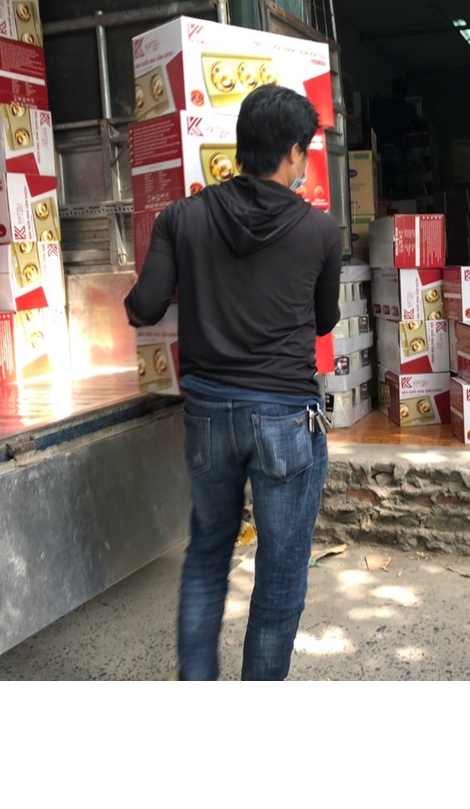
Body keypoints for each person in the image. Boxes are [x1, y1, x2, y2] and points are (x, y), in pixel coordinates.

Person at [124, 85, 341, 681]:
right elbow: (326, 320)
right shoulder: (320, 231)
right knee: (281, 570)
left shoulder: (181, 217)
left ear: (243, 147)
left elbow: (144, 306)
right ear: (294, 152)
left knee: (207, 556)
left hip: (208, 414)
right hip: (285, 420)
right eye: (305, 152)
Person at [370, 77, 419, 199]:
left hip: (380, 149)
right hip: (397, 148)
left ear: (392, 89)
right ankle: (401, 207)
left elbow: (369, 104)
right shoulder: (407, 107)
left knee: (383, 185)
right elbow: (418, 126)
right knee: (400, 187)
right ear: (405, 92)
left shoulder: (381, 102)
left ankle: (386, 207)